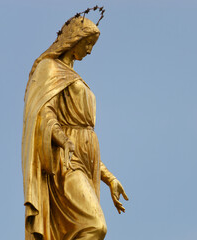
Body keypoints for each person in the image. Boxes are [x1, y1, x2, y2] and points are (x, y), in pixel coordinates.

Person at [22, 15, 128, 240]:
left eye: (93, 45)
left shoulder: (74, 76)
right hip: (63, 161)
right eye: (87, 43)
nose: (89, 50)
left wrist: (109, 179)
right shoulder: (49, 68)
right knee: (96, 226)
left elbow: (83, 139)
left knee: (83, 231)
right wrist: (63, 139)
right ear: (74, 38)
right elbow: (45, 114)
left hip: (84, 159)